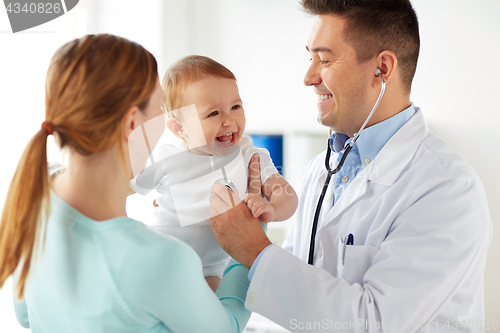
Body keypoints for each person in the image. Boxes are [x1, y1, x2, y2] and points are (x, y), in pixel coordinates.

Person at [208, 0, 493, 331]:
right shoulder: (323, 169)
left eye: (325, 59)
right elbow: (293, 298)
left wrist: (254, 250)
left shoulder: (447, 189)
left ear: (382, 68)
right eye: (310, 58)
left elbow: (374, 324)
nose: (308, 77)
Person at [0, 34, 251, 332]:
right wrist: (247, 244)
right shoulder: (163, 260)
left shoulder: (35, 193)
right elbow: (227, 328)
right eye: (161, 109)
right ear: (133, 123)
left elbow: (26, 315)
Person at [130, 55, 298, 292]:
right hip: (161, 259)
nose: (230, 120)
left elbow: (287, 195)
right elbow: (124, 188)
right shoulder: (168, 159)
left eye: (235, 107)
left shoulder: (249, 155)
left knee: (213, 312)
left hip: (212, 271)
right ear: (179, 128)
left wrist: (272, 208)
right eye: (213, 114)